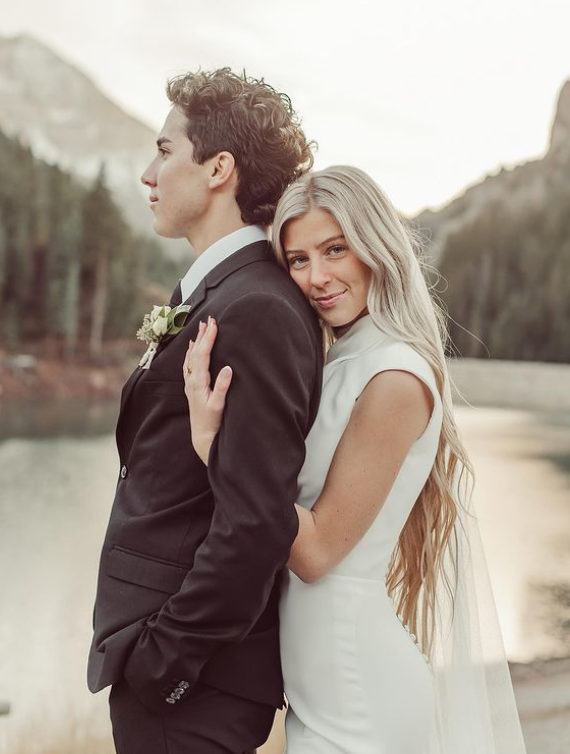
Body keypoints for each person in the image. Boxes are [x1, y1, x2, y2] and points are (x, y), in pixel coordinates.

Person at [184, 166, 529, 753]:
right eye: (297, 260)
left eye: (335, 250)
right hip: (319, 692)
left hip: (358, 693)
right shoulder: (340, 361)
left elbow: (316, 552)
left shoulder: (395, 375)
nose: (317, 277)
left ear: (375, 247)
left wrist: (217, 450)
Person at [87, 68, 323, 754]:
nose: (147, 173)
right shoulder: (221, 294)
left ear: (219, 168)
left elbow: (256, 522)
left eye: (164, 151)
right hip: (169, 676)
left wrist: (165, 666)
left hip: (194, 690)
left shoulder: (256, 309)